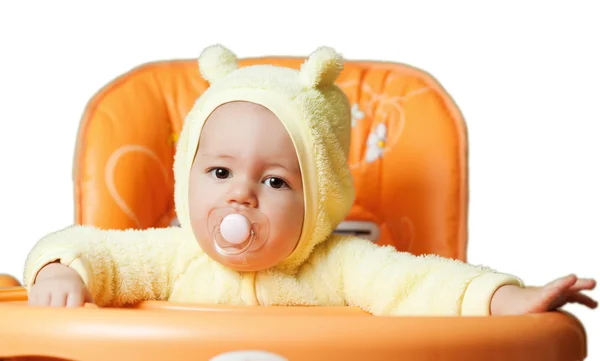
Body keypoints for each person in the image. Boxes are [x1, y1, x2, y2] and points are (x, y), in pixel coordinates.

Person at [24, 45, 597, 316]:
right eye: (219, 172)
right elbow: (98, 251)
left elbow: (424, 283)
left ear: (317, 201)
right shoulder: (171, 257)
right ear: (186, 181)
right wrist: (58, 270)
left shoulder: (341, 266)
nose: (240, 195)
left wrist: (504, 298)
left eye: (274, 182)